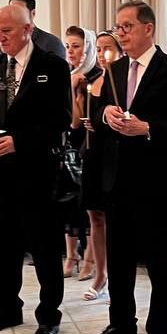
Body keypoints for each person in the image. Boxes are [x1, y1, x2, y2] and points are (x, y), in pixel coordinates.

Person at [81, 1, 167, 334]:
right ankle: (121, 324)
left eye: (127, 26)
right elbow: (96, 116)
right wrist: (105, 113)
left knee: (159, 262)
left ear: (148, 28)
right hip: (115, 179)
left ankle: (159, 333)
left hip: (153, 181)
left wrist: (147, 128)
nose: (121, 33)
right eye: (118, 27)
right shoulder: (114, 69)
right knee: (118, 258)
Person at [0, 3, 73, 334]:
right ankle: (7, 309)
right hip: (0, 173)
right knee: (4, 248)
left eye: (7, 31)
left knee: (44, 248)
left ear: (28, 30)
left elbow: (60, 121)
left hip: (38, 172)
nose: (0, 38)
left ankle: (49, 316)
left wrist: (20, 141)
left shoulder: (52, 66)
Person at [79, 30, 122, 301]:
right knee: (94, 215)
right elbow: (79, 119)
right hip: (92, 153)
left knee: (113, 216)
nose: (103, 54)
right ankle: (100, 273)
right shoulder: (92, 80)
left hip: (113, 155)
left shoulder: (121, 81)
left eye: (108, 48)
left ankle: (114, 273)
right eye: (98, 48)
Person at [63, 26, 99, 279]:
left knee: (88, 209)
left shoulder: (93, 77)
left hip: (87, 147)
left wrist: (72, 90)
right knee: (69, 206)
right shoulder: (69, 75)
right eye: (67, 46)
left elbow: (76, 121)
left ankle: (89, 258)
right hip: (67, 148)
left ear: (87, 48)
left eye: (76, 46)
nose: (71, 51)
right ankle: (71, 255)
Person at [0, 0, 68, 62]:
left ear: (33, 14)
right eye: (11, 10)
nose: (14, 15)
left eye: (19, 11)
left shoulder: (51, 43)